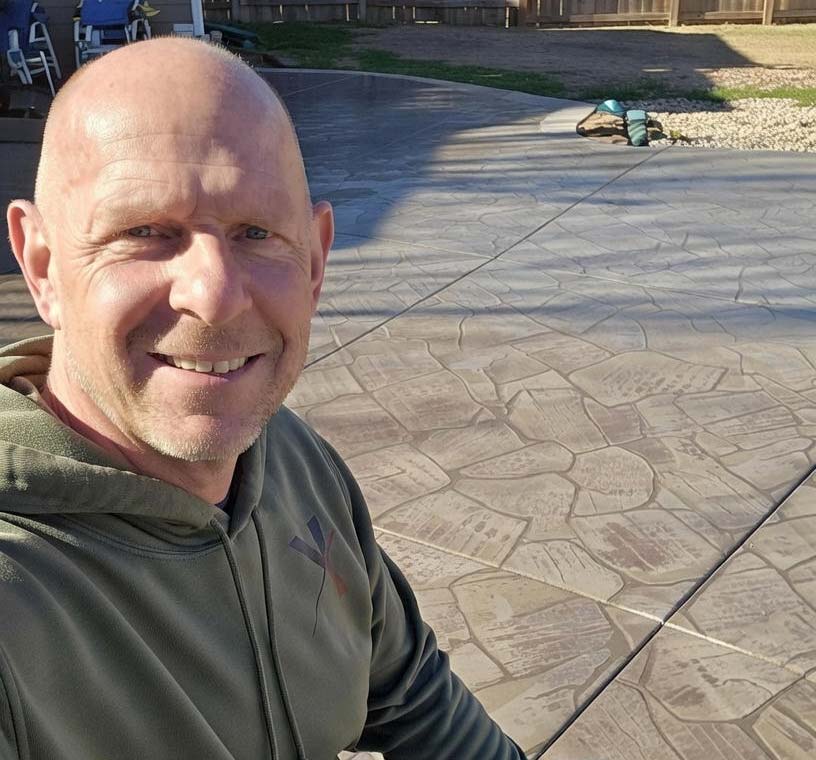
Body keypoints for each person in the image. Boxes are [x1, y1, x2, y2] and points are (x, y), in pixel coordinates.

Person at [1, 38, 525, 760]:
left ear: (314, 261)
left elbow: (416, 695)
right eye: (144, 233)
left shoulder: (291, 458)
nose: (213, 296)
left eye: (255, 232)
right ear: (43, 265)